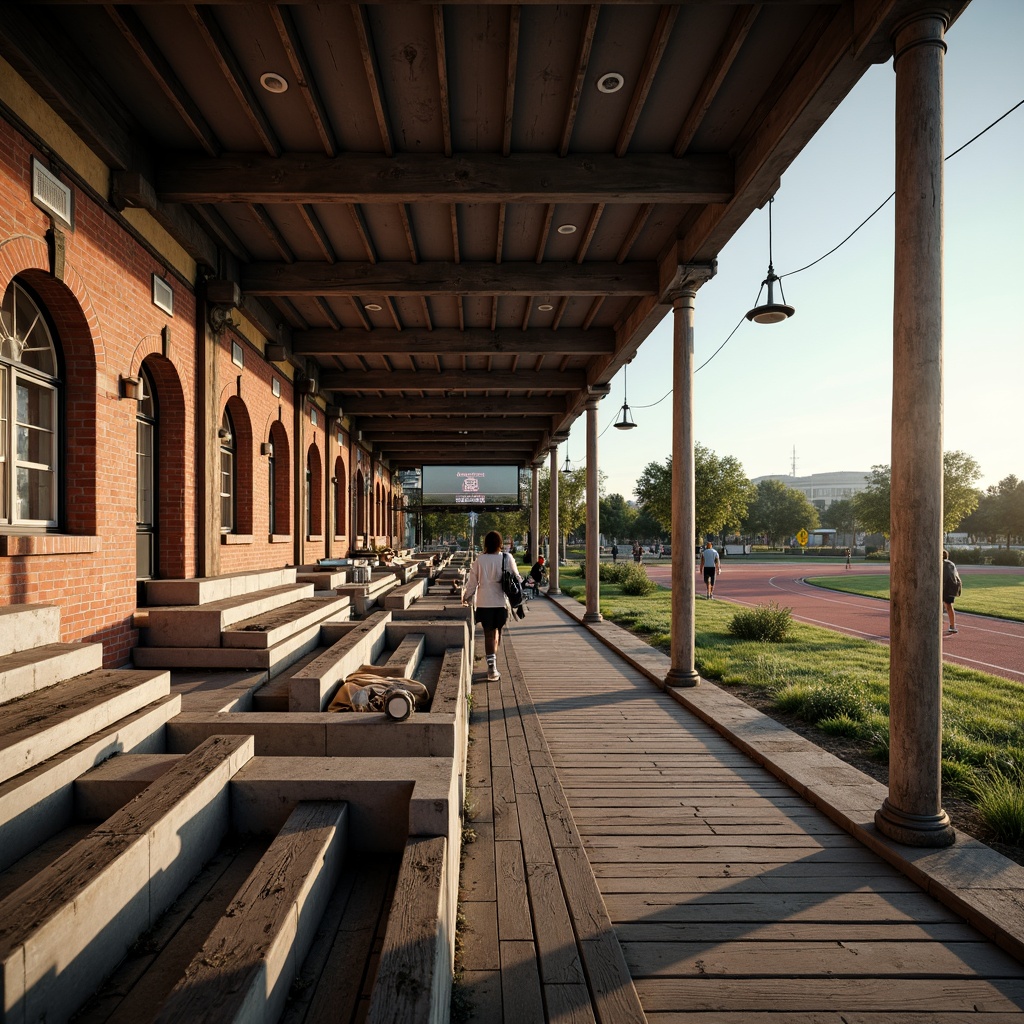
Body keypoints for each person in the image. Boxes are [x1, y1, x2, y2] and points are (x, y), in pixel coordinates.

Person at [462, 530, 522, 681]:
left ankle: (491, 667)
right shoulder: (506, 558)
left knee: (488, 634)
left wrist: (466, 596)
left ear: (486, 544)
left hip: (483, 602)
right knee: (497, 633)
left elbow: (472, 583)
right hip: (500, 602)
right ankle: (493, 665)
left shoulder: (479, 560)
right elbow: (517, 578)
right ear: (500, 543)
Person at [942, 548, 962, 634]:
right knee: (949, 606)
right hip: (952, 587)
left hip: (945, 587)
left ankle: (948, 625)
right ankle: (952, 626)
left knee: (944, 605)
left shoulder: (942, 564)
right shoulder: (951, 564)